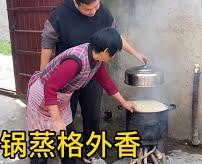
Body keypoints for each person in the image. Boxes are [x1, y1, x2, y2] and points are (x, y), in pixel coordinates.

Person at [39, 0, 146, 162]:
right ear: (76, 2)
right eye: (89, 9)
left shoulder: (98, 59)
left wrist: (136, 54)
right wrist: (43, 74)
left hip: (91, 68)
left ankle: (92, 151)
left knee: (92, 115)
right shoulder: (60, 15)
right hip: (66, 77)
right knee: (66, 119)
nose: (95, 12)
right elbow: (47, 44)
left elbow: (115, 37)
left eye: (97, 6)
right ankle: (66, 155)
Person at [27, 27, 137, 163]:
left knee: (68, 141)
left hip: (61, 98)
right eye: (114, 54)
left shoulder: (97, 59)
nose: (113, 57)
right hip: (43, 97)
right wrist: (56, 119)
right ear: (106, 51)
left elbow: (106, 82)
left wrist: (124, 102)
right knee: (41, 144)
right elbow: (50, 87)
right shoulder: (75, 61)